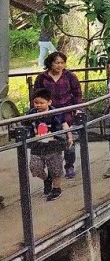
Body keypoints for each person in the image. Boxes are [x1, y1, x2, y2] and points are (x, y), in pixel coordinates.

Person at [33, 51, 81, 179]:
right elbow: (35, 95)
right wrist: (36, 110)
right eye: (57, 63)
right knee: (49, 140)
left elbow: (77, 92)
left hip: (66, 111)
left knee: (69, 138)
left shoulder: (69, 76)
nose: (60, 65)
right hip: (48, 113)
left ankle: (69, 165)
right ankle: (52, 169)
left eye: (62, 63)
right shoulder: (42, 78)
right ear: (50, 63)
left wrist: (78, 108)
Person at [23, 88, 70, 201]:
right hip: (37, 145)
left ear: (49, 102)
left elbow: (64, 124)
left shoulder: (55, 113)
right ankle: (46, 179)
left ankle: (56, 189)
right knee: (35, 167)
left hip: (53, 145)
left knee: (55, 168)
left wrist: (69, 136)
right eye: (36, 102)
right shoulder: (31, 114)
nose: (38, 105)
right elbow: (25, 126)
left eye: (41, 103)